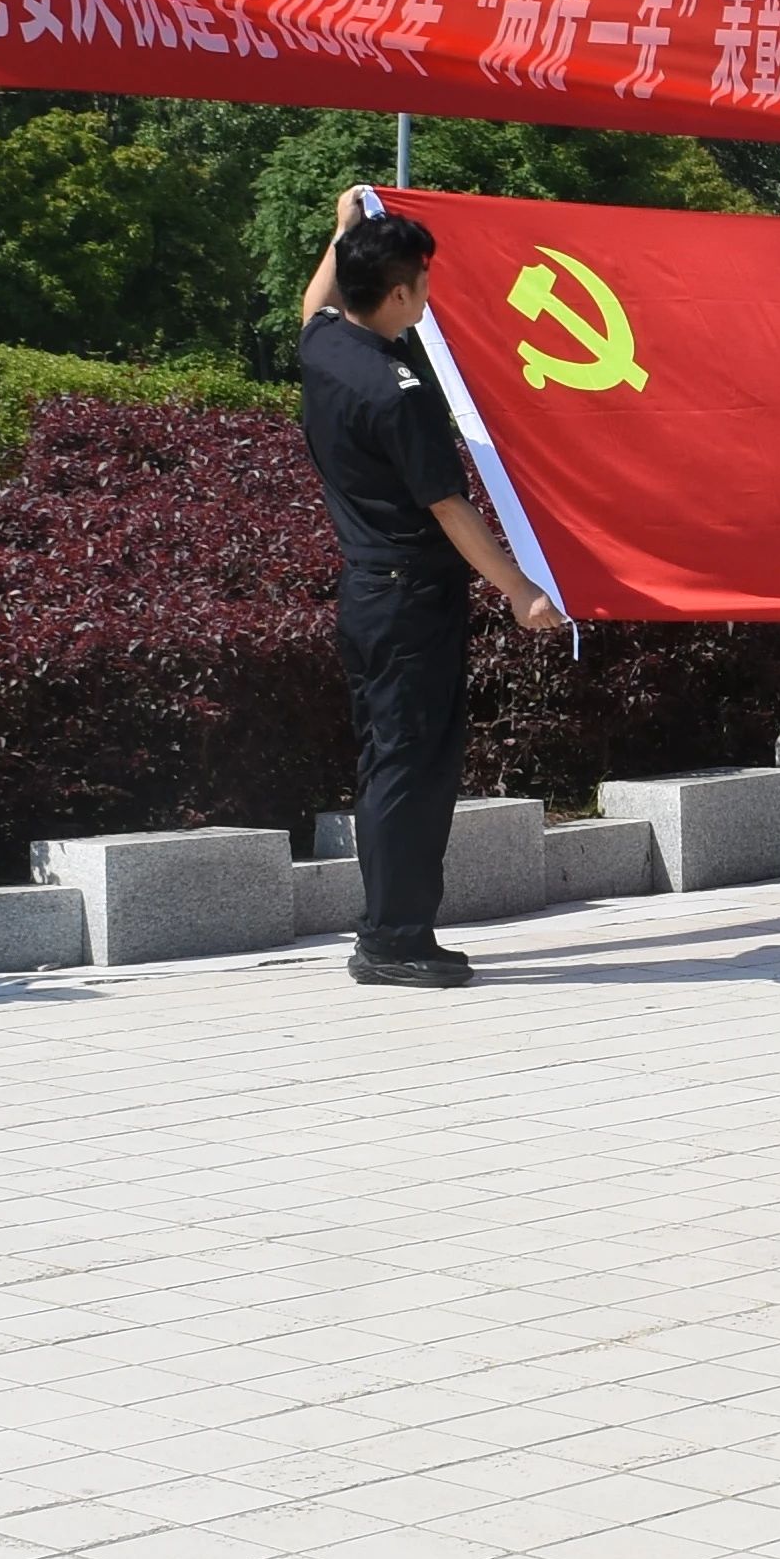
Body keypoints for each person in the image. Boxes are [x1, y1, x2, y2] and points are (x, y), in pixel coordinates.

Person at [299, 194, 568, 982]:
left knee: (390, 760)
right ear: (397, 294)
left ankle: (392, 929)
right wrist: (519, 589)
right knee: (412, 768)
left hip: (369, 595)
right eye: (421, 283)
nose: (427, 295)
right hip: (412, 600)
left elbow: (311, 303)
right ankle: (393, 940)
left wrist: (344, 228)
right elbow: (449, 508)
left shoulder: (326, 347)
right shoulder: (397, 391)